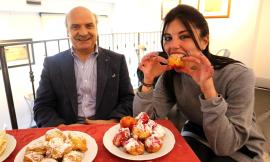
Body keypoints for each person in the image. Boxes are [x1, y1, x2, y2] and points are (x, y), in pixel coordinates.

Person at [133, 5, 265, 162]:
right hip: (197, 134)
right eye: (168, 38)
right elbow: (144, 122)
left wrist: (208, 87)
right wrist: (147, 81)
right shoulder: (171, 75)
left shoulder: (239, 75)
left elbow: (225, 146)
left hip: (238, 147)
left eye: (184, 36)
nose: (173, 45)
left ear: (204, 41)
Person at [33, 6, 134, 127]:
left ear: (96, 29)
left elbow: (128, 99)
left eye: (89, 26)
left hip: (106, 129)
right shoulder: (52, 64)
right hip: (67, 132)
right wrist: (62, 128)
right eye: (75, 27)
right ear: (67, 31)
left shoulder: (117, 61)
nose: (83, 32)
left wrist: (111, 122)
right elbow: (42, 107)